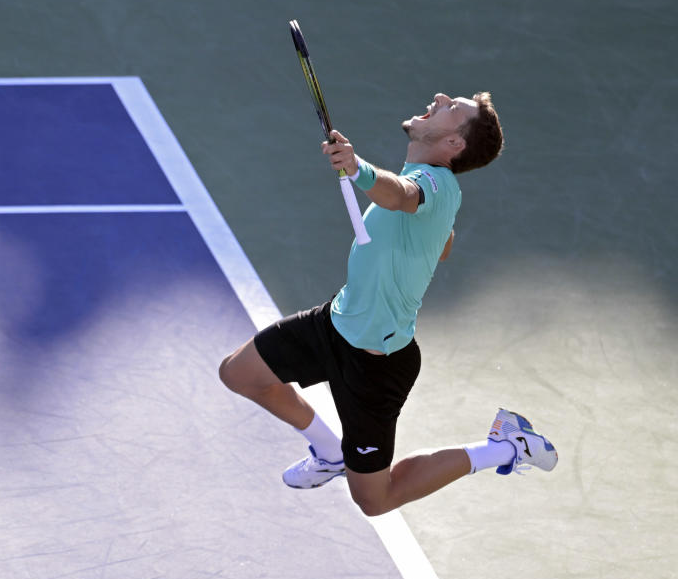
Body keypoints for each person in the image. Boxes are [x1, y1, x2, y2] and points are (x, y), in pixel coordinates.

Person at [219, 92, 556, 516]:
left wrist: (357, 169)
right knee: (240, 374)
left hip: (375, 364)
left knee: (375, 500)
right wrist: (427, 235)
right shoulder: (426, 184)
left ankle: (506, 446)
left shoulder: (438, 183)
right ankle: (330, 452)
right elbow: (440, 242)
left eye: (454, 108)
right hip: (335, 322)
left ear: (454, 145)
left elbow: (398, 195)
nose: (440, 98)